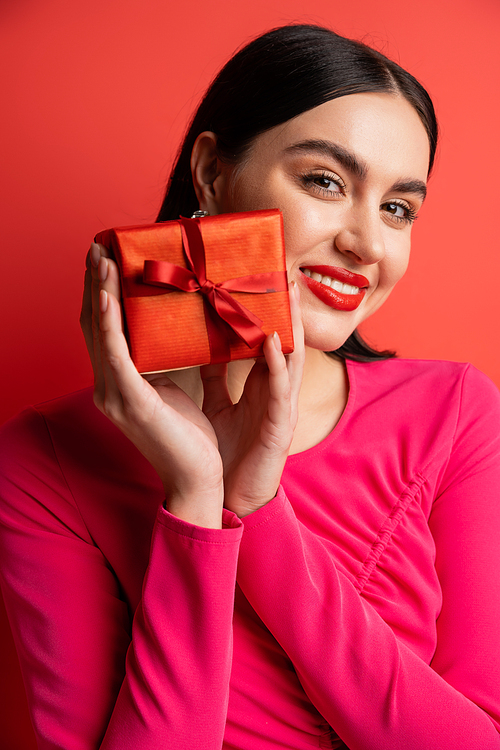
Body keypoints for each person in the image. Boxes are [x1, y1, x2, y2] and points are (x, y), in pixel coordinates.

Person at [0, 23, 499, 750]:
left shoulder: (454, 411)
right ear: (210, 174)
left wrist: (258, 509)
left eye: (398, 207)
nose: (366, 243)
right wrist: (197, 501)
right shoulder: (44, 461)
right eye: (325, 182)